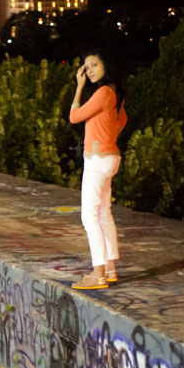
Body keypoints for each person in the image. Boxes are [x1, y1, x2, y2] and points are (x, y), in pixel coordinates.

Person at [68, 50, 127, 290]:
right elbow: (122, 120)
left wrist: (79, 86)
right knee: (104, 214)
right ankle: (110, 269)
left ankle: (98, 273)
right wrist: (108, 137)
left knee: (89, 217)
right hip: (110, 156)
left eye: (94, 65)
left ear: (107, 66)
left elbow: (74, 116)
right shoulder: (115, 93)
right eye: (86, 67)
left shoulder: (103, 92)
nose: (89, 70)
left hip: (97, 159)